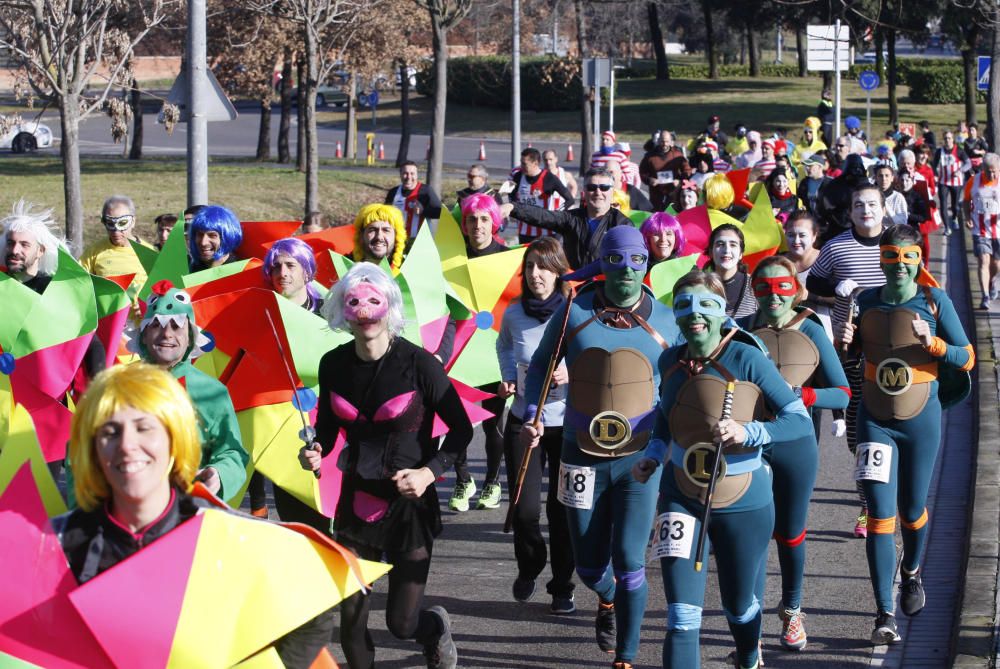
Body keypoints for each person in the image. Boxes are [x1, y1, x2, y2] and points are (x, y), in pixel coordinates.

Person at [57, 363, 334, 668]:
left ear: (174, 439)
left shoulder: (222, 532)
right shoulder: (58, 544)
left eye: (144, 428)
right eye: (110, 431)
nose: (127, 446)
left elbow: (311, 614)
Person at [632, 270, 812, 669]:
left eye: (706, 306)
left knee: (738, 606)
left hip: (743, 499)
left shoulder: (746, 356)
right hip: (680, 495)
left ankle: (748, 652)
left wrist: (750, 431)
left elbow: (797, 419)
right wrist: (655, 451)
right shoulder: (669, 360)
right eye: (684, 306)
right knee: (681, 615)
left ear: (722, 312)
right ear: (675, 315)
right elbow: (666, 416)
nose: (695, 316)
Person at [520, 225, 681, 669]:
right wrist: (532, 411)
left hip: (640, 459)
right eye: (616, 261)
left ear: (646, 265)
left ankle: (626, 656)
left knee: (631, 560)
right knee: (590, 567)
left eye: (636, 261)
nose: (627, 271)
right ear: (603, 264)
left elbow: (688, 379)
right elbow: (538, 368)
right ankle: (605, 598)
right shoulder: (574, 310)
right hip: (580, 455)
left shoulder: (667, 318)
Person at [302, 262, 472, 669]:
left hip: (408, 506)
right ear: (343, 312)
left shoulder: (420, 365)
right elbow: (326, 427)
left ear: (388, 308)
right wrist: (314, 450)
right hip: (356, 504)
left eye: (372, 303)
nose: (364, 314)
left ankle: (433, 628)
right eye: (354, 304)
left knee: (401, 623)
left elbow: (462, 430)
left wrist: (429, 472)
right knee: (351, 623)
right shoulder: (333, 365)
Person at [836, 224, 973, 645]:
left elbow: (966, 357)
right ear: (881, 258)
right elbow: (858, 353)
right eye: (891, 256)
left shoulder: (935, 299)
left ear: (919, 259)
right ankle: (883, 612)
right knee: (880, 516)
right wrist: (847, 343)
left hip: (921, 421)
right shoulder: (867, 300)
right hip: (875, 419)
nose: (899, 265)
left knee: (912, 512)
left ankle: (911, 573)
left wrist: (932, 343)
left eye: (907, 256)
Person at [738, 256, 850, 652]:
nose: (772, 295)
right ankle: (747, 627)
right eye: (763, 287)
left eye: (781, 286)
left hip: (796, 446)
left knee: (790, 533)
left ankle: (792, 611)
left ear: (796, 289)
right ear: (753, 290)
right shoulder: (742, 330)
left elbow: (842, 393)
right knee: (750, 535)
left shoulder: (812, 329)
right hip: (750, 443)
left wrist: (802, 395)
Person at [497, 237, 575, 614]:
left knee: (562, 509)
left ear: (559, 271)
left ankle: (563, 584)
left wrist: (569, 372)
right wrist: (509, 375)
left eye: (543, 267)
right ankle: (530, 565)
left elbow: (596, 357)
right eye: (529, 267)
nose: (535, 274)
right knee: (524, 509)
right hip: (524, 419)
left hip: (566, 424)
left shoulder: (576, 312)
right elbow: (504, 347)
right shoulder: (514, 313)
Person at [807, 183, 891, 537]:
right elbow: (813, 282)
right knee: (857, 433)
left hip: (894, 352)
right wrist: (833, 290)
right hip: (851, 350)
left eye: (872, 204)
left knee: (893, 426)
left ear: (883, 208)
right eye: (859, 204)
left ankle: (888, 500)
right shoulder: (836, 246)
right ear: (851, 210)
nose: (866, 210)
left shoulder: (897, 242)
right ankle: (866, 506)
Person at [129, 280, 248, 501]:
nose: (167, 334)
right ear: (143, 334)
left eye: (176, 326)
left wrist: (220, 474)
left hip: (189, 508)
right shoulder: (118, 385)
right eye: (156, 325)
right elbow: (85, 448)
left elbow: (232, 452)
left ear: (190, 338)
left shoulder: (212, 391)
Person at [447, 194, 510, 513]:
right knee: (457, 421)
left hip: (496, 351)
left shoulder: (508, 257)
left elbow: (516, 305)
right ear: (465, 225)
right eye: (472, 219)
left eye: (485, 219)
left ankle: (493, 482)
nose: (478, 226)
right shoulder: (453, 259)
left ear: (494, 223)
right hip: (459, 350)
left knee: (493, 424)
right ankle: (463, 479)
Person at [502, 167, 633, 270]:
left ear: (612, 191)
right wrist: (513, 207)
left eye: (604, 187)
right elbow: (543, 216)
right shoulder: (571, 218)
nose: (598, 192)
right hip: (574, 287)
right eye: (592, 188)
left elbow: (631, 262)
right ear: (584, 192)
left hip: (606, 289)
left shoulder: (622, 224)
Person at [79, 195, 152, 299]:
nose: (116, 231)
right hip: (106, 314)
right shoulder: (93, 253)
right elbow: (78, 285)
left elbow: (161, 289)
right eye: (110, 223)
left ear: (133, 222)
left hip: (141, 315)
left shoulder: (149, 253)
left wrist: (145, 307)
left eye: (122, 223)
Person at [1, 198, 67, 293]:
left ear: (40, 251)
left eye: (24, 245)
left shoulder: (52, 290)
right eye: (10, 243)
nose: (15, 250)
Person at [510, 148, 574, 244]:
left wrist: (557, 215)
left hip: (546, 232)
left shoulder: (549, 178)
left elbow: (570, 200)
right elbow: (512, 196)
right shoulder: (518, 176)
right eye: (521, 163)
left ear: (535, 163)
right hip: (525, 232)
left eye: (524, 164)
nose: (521, 166)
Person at [964, 152, 1000, 309]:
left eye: (994, 171)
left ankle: (993, 284)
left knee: (996, 265)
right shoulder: (974, 181)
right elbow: (967, 201)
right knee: (984, 260)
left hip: (998, 230)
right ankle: (985, 295)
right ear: (983, 169)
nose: (991, 174)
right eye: (988, 171)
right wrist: (968, 217)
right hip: (980, 230)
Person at [705, 224, 757, 319]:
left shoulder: (755, 286)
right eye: (720, 244)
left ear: (741, 253)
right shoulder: (698, 286)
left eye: (733, 245)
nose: (727, 250)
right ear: (710, 252)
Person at [265, 236, 324, 314]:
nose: (282, 273)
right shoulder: (263, 314)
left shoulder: (329, 313)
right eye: (277, 267)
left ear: (307, 272)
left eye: (290, 265)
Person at [385, 161, 443, 240]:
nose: (409, 177)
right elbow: (384, 215)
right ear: (400, 175)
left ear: (416, 175)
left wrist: (423, 211)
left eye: (412, 173)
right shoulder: (393, 192)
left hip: (420, 241)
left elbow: (439, 213)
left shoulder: (426, 190)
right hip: (397, 239)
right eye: (405, 173)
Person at [351, 203, 407, 272]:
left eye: (386, 230)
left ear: (397, 236)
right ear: (361, 235)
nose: (379, 237)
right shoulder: (344, 269)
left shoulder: (408, 270)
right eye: (372, 230)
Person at [639, 130, 687, 211]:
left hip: (673, 193)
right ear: (658, 141)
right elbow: (642, 172)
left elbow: (687, 170)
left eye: (667, 141)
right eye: (662, 141)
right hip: (656, 194)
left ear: (671, 142)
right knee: (657, 215)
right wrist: (649, 180)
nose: (664, 144)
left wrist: (679, 181)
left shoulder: (677, 155)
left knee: (673, 215)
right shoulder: (650, 156)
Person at [933, 130, 970, 233]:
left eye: (949, 138)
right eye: (945, 138)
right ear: (943, 140)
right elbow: (933, 164)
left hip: (956, 182)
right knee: (943, 204)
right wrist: (935, 175)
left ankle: (954, 218)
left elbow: (968, 163)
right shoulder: (939, 151)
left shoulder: (959, 150)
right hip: (943, 182)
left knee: (955, 205)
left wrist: (961, 170)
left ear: (953, 139)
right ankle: (946, 227)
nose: (947, 140)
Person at [187, 205, 243, 273]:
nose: (203, 242)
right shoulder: (189, 267)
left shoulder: (240, 273)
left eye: (212, 235)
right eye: (200, 235)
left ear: (227, 238)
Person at [797, 154, 831, 219]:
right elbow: (799, 200)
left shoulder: (830, 183)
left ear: (820, 167)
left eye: (810, 166)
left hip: (825, 223)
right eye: (807, 166)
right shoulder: (804, 182)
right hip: (808, 222)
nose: (807, 168)